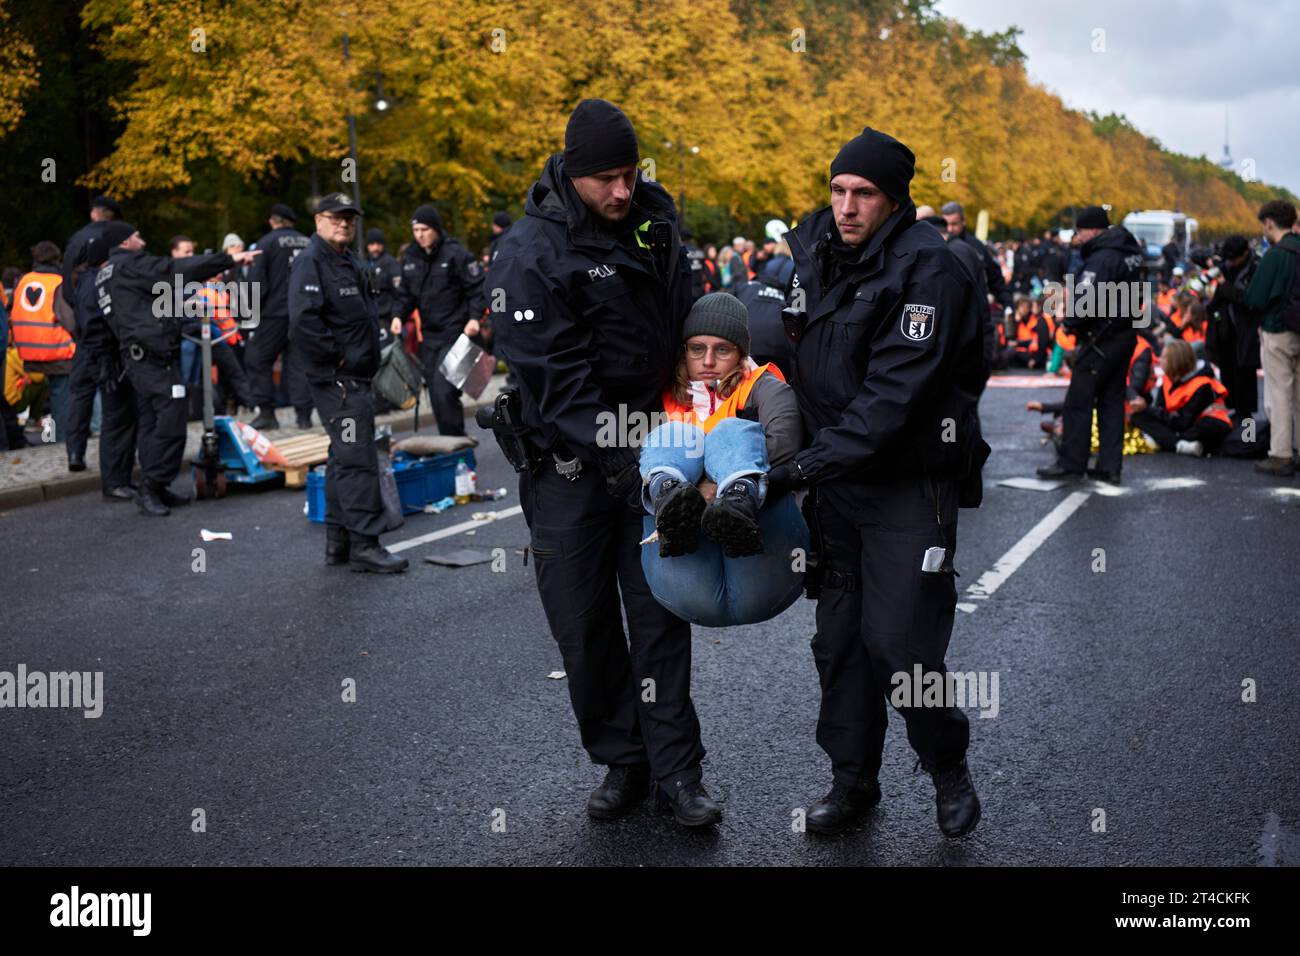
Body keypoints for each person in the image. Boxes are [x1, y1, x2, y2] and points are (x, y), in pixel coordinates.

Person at [489, 98, 719, 828]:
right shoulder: (529, 252)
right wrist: (625, 460)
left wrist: (708, 395)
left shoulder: (655, 219)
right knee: (583, 630)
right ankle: (624, 760)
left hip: (651, 452)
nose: (621, 192)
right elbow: (557, 382)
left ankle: (679, 772)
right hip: (569, 468)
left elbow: (683, 311)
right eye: (605, 180)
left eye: (629, 174)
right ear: (572, 173)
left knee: (660, 616)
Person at [766, 127, 989, 838]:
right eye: (837, 190)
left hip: (905, 484)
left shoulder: (932, 271)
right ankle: (852, 782)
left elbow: (892, 399)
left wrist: (800, 467)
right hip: (836, 489)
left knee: (901, 643)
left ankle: (946, 768)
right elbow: (784, 351)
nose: (846, 207)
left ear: (894, 198)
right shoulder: (816, 257)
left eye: (863, 193)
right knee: (840, 646)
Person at [639, 293, 807, 625]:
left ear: (741, 353)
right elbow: (637, 449)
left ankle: (738, 499)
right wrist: (692, 490)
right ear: (684, 350)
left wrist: (716, 487)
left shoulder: (763, 385)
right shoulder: (663, 390)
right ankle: (669, 494)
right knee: (673, 437)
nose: (708, 361)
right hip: (685, 572)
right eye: (697, 349)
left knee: (731, 431)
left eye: (723, 350)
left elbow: (786, 441)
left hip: (762, 567)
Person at [97, 223, 260, 516]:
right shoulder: (131, 265)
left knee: (150, 422)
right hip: (153, 358)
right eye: (136, 236)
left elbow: (148, 303)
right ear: (124, 242)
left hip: (136, 357)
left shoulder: (106, 272)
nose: (142, 239)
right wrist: (227, 259)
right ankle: (152, 485)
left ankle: (156, 486)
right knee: (172, 420)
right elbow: (175, 270)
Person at [288, 192, 408, 573]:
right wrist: (336, 360)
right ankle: (365, 545)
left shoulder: (346, 261)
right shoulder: (310, 262)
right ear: (318, 220)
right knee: (358, 461)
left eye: (349, 218)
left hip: (353, 376)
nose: (344, 223)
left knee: (343, 458)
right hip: (338, 381)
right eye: (335, 217)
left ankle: (338, 543)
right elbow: (304, 322)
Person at [1036, 206, 1144, 483]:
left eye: (1081, 231)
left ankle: (1072, 463)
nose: (1079, 237)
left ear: (1095, 229)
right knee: (1111, 401)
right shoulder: (1129, 253)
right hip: (1124, 333)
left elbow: (1086, 298)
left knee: (1078, 402)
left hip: (1100, 338)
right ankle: (1109, 466)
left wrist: (1070, 323)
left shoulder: (1102, 257)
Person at [397, 204, 485, 437]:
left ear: (436, 228)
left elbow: (478, 289)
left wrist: (475, 318)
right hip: (430, 338)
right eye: (416, 230)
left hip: (458, 335)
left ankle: (457, 444)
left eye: (425, 229)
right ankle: (451, 443)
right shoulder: (412, 257)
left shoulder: (456, 254)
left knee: (445, 390)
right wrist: (398, 316)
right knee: (436, 396)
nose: (420, 235)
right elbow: (406, 294)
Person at [68, 228, 139, 500]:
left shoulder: (91, 280)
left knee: (123, 418)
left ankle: (121, 479)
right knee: (116, 421)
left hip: (106, 357)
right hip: (104, 358)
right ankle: (113, 482)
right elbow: (93, 325)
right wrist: (104, 360)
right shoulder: (92, 283)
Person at [245, 203, 312, 430]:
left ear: (273, 221)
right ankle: (304, 416)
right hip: (304, 313)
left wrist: (251, 314)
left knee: (258, 360)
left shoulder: (265, 244)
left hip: (273, 314)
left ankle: (266, 413)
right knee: (299, 364)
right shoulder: (309, 242)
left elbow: (256, 283)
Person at [1246, 199, 1300, 476]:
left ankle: (1281, 454)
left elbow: (1254, 297)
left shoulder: (1275, 255)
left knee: (1280, 393)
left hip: (1279, 330)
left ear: (1269, 223)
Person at [10, 241, 76, 443]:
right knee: (61, 400)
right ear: (57, 259)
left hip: (28, 353)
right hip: (58, 352)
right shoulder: (58, 282)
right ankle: (60, 442)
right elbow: (69, 319)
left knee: (48, 396)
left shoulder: (23, 281)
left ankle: (50, 437)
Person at [1130, 340, 1231, 456]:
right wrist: (1146, 410)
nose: (1158, 360)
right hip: (1179, 422)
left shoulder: (1202, 385)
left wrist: (1148, 409)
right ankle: (1179, 444)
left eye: (1163, 358)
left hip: (1205, 424)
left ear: (1175, 362)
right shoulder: (1168, 378)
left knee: (1200, 429)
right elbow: (1160, 409)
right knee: (1137, 416)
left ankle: (1171, 441)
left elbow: (1183, 422)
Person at [1207, 235, 1261, 419]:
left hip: (1245, 333)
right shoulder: (1227, 267)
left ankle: (1248, 436)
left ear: (1245, 253)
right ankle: (1233, 428)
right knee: (1228, 380)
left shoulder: (1255, 269)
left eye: (1233, 258)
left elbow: (1250, 300)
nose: (1230, 262)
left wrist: (1224, 285)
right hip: (1225, 332)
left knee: (1245, 387)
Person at [942, 200, 1010, 309]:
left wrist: (1007, 304)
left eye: (954, 224)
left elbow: (994, 276)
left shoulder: (976, 246)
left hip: (974, 308)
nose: (950, 229)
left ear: (963, 222)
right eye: (947, 224)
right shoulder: (939, 245)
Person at [61, 195, 121, 308]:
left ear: (93, 214)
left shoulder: (78, 238)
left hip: (87, 306)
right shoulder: (125, 238)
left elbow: (68, 273)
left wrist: (76, 307)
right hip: (119, 306)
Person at [364, 228, 403, 329]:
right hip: (371, 319)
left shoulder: (390, 263)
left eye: (379, 244)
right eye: (372, 244)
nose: (375, 248)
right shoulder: (364, 264)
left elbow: (400, 293)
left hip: (388, 319)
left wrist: (396, 315)